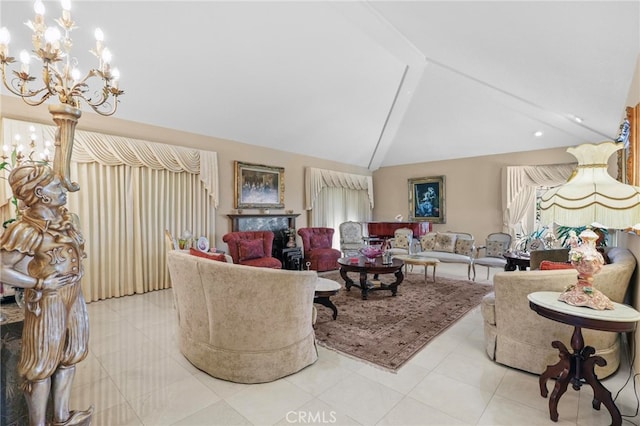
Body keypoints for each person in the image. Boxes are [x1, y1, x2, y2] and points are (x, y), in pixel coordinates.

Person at [0, 163, 92, 426]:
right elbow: (2, 268)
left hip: (73, 295)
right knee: (40, 367)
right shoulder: (25, 229)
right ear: (40, 193)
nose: (62, 188)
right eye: (55, 185)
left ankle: (62, 418)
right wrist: (38, 283)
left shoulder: (64, 222)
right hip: (46, 301)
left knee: (70, 355)